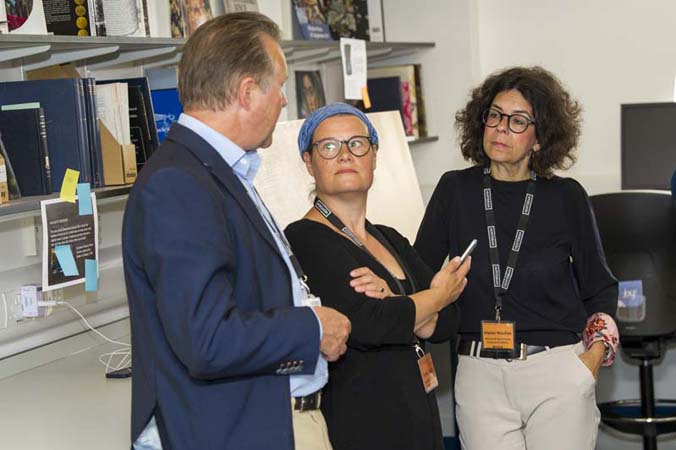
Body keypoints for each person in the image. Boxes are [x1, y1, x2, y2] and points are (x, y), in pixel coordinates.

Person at [122, 13, 351, 450]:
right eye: (279, 85)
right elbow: (207, 340)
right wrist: (312, 328)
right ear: (247, 92)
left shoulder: (215, 171)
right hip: (235, 433)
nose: (284, 100)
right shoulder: (180, 184)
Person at [414, 66, 620, 450]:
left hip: (556, 369)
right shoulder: (454, 190)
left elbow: (601, 289)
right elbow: (417, 274)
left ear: (540, 139)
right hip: (478, 372)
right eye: (494, 115)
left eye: (517, 120)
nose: (500, 128)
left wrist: (591, 361)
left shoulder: (566, 197)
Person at [285, 103, 471, 450]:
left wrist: (399, 304)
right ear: (309, 163)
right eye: (329, 146)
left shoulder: (390, 238)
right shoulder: (303, 238)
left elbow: (447, 324)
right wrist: (438, 296)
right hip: (362, 422)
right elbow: (370, 324)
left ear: (373, 156)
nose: (345, 155)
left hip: (417, 415)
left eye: (357, 144)